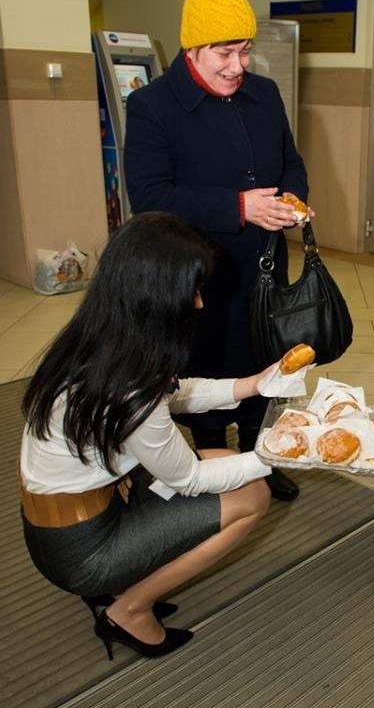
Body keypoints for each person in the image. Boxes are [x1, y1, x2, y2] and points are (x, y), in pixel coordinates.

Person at [19, 213, 274, 660]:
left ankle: (125, 583)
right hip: (81, 548)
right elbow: (188, 479)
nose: (198, 304)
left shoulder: (101, 340)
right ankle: (130, 609)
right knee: (254, 496)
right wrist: (276, 454)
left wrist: (252, 384)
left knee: (221, 457)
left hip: (79, 512)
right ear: (156, 295)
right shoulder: (130, 383)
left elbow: (170, 396)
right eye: (191, 290)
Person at [124, 0, 309, 502]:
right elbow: (151, 195)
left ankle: (259, 457)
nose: (238, 66)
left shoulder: (265, 94)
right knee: (202, 370)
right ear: (192, 48)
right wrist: (238, 206)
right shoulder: (153, 106)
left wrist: (292, 199)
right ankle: (208, 459)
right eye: (224, 53)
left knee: (261, 365)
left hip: (263, 264)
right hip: (196, 272)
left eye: (244, 51)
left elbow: (291, 163)